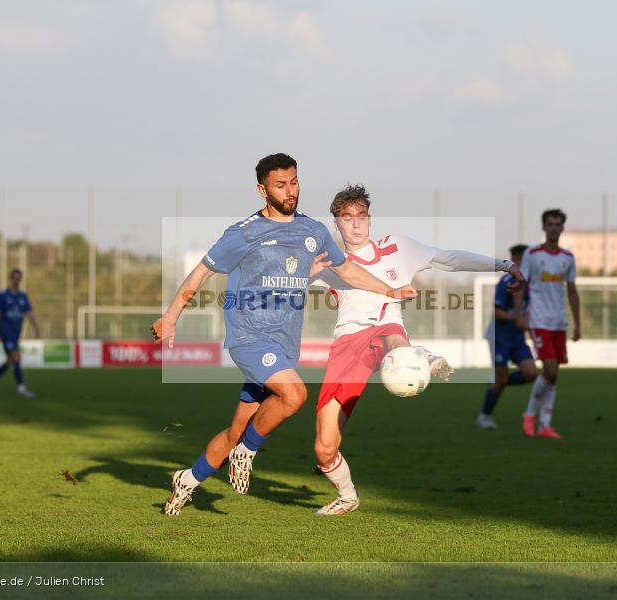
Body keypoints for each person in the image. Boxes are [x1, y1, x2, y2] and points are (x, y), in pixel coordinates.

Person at [151, 154, 416, 516]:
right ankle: (247, 452)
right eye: (280, 184)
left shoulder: (314, 231)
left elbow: (348, 271)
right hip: (249, 338)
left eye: (294, 182)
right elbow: (200, 275)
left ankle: (187, 480)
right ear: (262, 190)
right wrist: (171, 316)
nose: (290, 191)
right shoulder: (243, 233)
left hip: (284, 344)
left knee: (236, 429)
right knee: (294, 396)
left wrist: (388, 291)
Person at [309, 184, 523, 515]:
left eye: (361, 216)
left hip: (385, 332)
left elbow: (448, 259)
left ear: (369, 219)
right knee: (324, 448)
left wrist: (503, 265)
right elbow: (282, 287)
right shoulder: (327, 262)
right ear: (336, 224)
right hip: (348, 346)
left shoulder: (396, 247)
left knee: (391, 336)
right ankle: (348, 495)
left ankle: (417, 355)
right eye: (347, 218)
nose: (355, 224)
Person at [517, 209, 581, 439]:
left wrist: (578, 323)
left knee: (554, 376)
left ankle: (545, 425)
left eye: (558, 224)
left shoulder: (568, 258)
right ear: (544, 227)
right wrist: (519, 314)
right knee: (550, 369)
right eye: (550, 224)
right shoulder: (532, 254)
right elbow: (520, 285)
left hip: (559, 323)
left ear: (562, 228)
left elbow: (572, 291)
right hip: (539, 320)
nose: (554, 228)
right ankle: (529, 414)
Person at [477, 244, 538, 430]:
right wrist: (517, 317)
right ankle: (484, 416)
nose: (520, 262)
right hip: (499, 337)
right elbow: (497, 313)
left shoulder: (530, 284)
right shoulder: (506, 282)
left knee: (531, 373)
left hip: (517, 338)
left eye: (523, 258)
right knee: (501, 378)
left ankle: (498, 380)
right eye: (516, 258)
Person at [0, 269, 40, 397]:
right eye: (14, 277)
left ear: (21, 279)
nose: (16, 280)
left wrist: (36, 327)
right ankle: (21, 387)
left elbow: (29, 313)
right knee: (17, 358)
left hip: (16, 333)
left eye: (19, 278)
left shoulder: (23, 296)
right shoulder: (2, 295)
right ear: (10, 279)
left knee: (10, 361)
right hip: (5, 332)